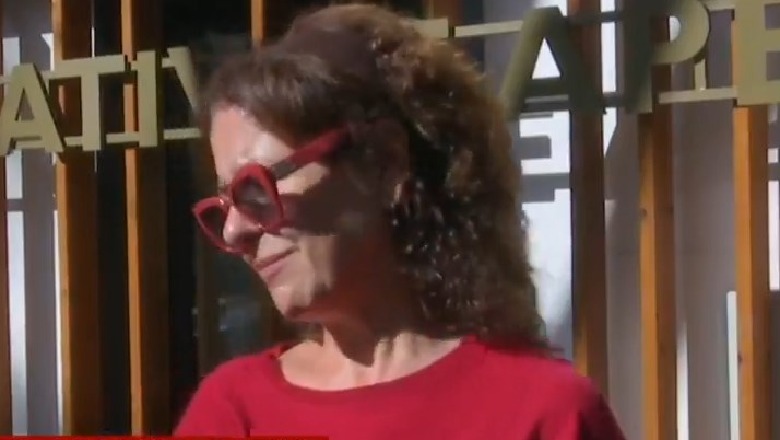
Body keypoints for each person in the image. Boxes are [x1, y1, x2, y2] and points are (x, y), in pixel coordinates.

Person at [175, 3, 626, 439]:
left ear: (386, 164)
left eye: (256, 189)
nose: (235, 231)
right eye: (225, 205)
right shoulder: (232, 412)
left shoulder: (545, 413)